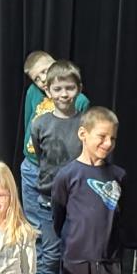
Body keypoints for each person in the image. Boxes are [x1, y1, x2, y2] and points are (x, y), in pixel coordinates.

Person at [52, 107, 125, 274]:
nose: (108, 143)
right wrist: (73, 246)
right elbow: (58, 217)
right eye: (102, 136)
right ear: (83, 134)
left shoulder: (118, 176)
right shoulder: (67, 175)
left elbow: (119, 220)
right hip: (76, 261)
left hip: (106, 262)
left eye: (113, 138)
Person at [29, 60, 85, 274]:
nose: (64, 94)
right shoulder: (40, 123)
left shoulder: (85, 123)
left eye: (69, 88)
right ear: (48, 91)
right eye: (58, 89)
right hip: (48, 202)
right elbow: (41, 157)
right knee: (50, 257)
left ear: (79, 89)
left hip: (80, 204)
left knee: (76, 258)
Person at [19, 51, 90, 232]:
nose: (43, 79)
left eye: (45, 71)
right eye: (37, 78)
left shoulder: (79, 100)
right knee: (33, 221)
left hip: (57, 169)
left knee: (55, 220)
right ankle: (38, 249)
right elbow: (28, 123)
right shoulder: (33, 93)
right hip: (31, 166)